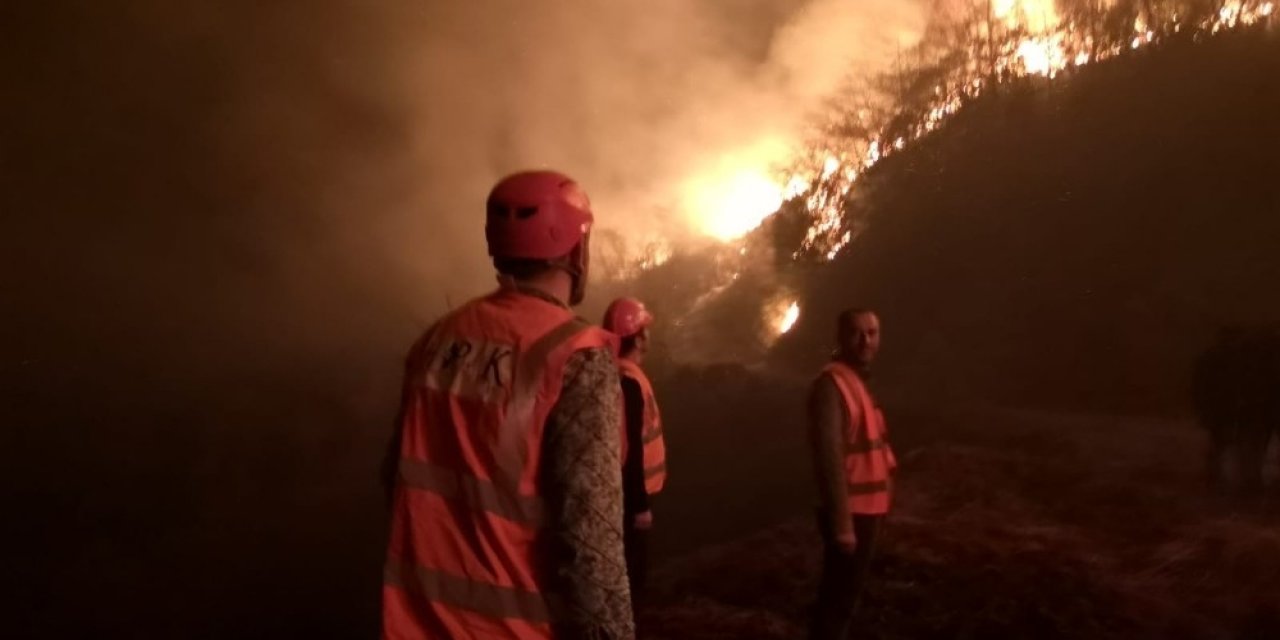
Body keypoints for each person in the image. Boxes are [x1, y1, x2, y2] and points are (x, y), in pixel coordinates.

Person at [381, 170, 634, 639]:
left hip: (413, 624)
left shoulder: (437, 341)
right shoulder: (574, 356)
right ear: (577, 250)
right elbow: (591, 537)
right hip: (513, 628)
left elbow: (395, 477)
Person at [808, 308, 897, 640]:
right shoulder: (831, 386)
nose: (865, 341)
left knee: (845, 599)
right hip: (852, 513)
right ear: (841, 338)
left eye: (872, 333)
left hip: (867, 510)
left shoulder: (857, 382)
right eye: (857, 333)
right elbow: (829, 458)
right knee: (837, 602)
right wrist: (842, 525)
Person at [602, 297, 667, 618]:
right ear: (638, 338)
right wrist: (640, 505)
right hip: (630, 501)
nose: (649, 336)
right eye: (646, 330)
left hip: (626, 497)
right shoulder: (627, 380)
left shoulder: (621, 374)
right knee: (633, 578)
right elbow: (630, 449)